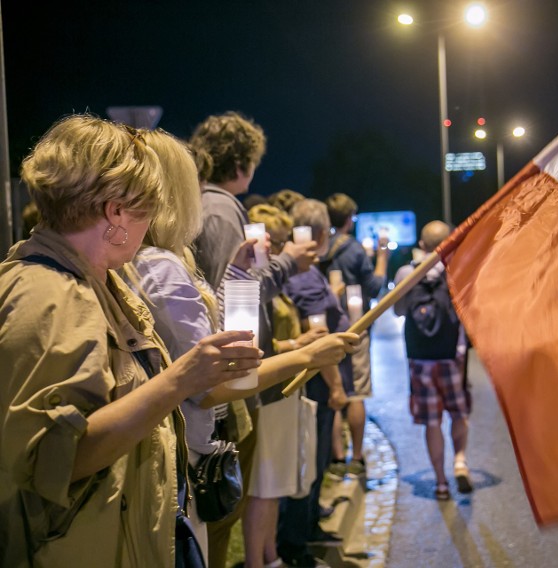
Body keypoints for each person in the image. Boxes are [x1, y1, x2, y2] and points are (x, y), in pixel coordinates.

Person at [0, 115, 262, 567]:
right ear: (117, 211)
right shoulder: (49, 295)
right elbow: (54, 457)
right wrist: (179, 380)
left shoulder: (99, 279)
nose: (150, 226)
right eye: (148, 209)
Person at [120, 130, 357, 565]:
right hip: (186, 452)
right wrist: (306, 356)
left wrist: (239, 275)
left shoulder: (148, 261)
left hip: (166, 449)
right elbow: (210, 383)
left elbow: (217, 335)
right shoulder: (163, 266)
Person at [189, 112, 317, 568]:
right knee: (223, 504)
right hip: (228, 380)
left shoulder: (205, 204)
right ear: (243, 162)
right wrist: (289, 264)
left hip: (219, 375)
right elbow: (236, 292)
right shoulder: (221, 209)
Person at [241, 204, 327, 568]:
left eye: (277, 240)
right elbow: (253, 348)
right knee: (264, 486)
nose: (275, 246)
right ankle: (256, 561)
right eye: (271, 239)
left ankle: (271, 556)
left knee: (275, 487)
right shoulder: (254, 283)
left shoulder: (274, 284)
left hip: (283, 389)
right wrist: (299, 345)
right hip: (268, 390)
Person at [278, 199, 352, 567]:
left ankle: (307, 529)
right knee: (309, 461)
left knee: (316, 460)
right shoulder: (305, 275)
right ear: (321, 234)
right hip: (318, 380)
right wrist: (337, 386)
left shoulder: (309, 271)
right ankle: (296, 541)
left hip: (319, 377)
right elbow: (318, 335)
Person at [393, 221, 473, 501]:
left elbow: (399, 310)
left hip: (419, 357)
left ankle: (440, 483)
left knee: (432, 421)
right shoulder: (457, 268)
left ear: (422, 245)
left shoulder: (406, 272)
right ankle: (460, 461)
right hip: (452, 354)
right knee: (458, 413)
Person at [323, 193, 389, 479]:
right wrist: (382, 258)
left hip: (325, 326)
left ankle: (336, 458)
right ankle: (358, 458)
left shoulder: (322, 246)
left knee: (334, 391)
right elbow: (374, 286)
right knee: (356, 392)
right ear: (349, 219)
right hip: (355, 327)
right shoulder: (353, 249)